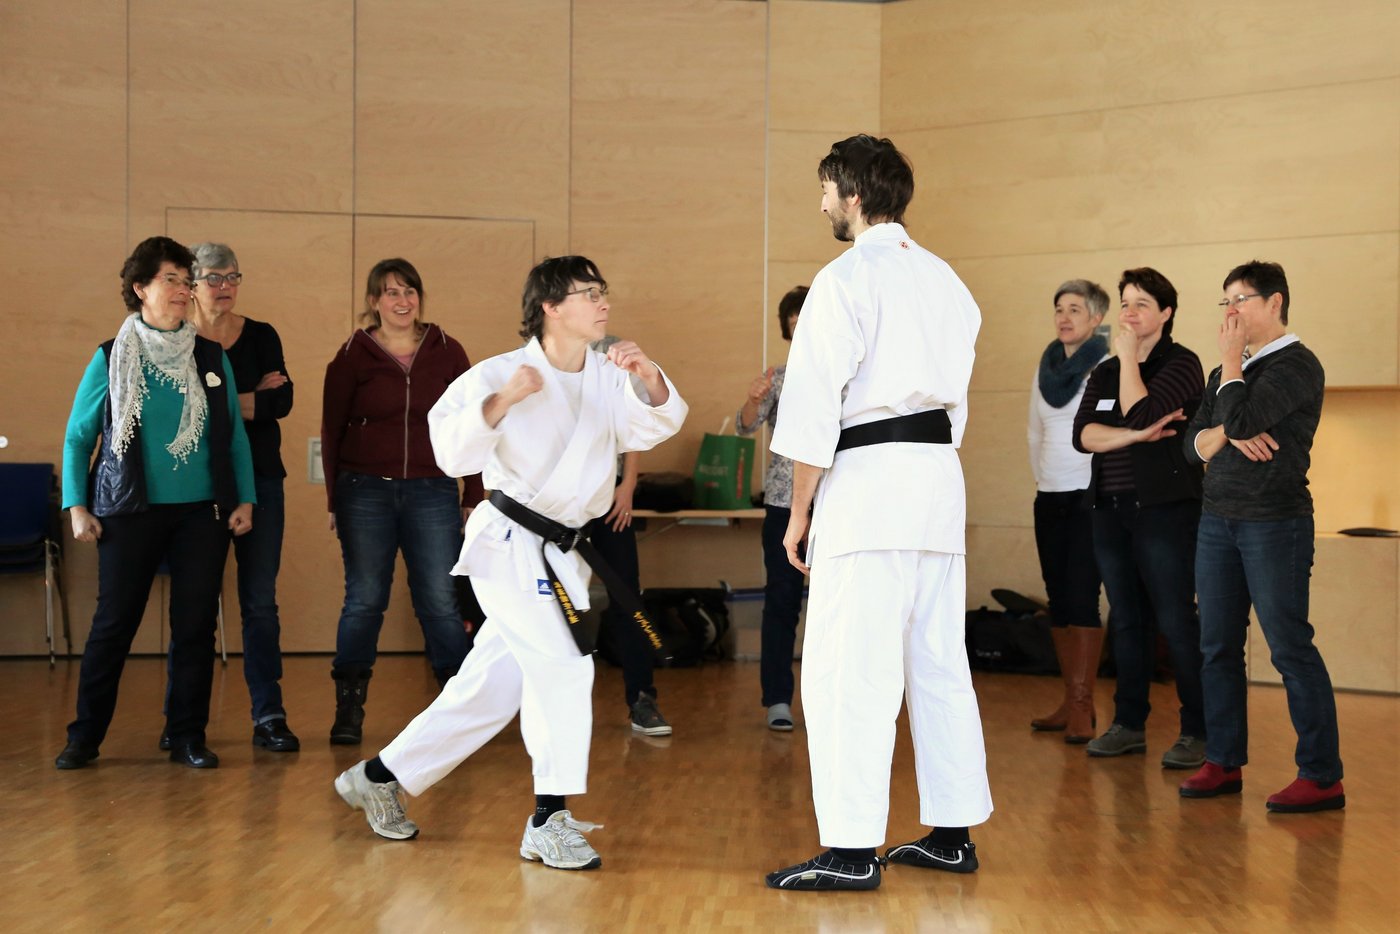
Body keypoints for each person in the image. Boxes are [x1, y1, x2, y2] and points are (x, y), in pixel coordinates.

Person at [333, 256, 686, 868]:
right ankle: (549, 817)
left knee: (492, 689)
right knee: (567, 668)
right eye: (589, 294)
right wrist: (502, 400)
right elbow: (448, 450)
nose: (603, 304)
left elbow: (651, 427)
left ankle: (381, 775)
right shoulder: (500, 372)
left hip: (565, 552)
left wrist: (650, 377)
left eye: (604, 292)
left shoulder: (607, 374)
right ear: (550, 306)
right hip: (510, 547)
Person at [764, 135, 992, 892]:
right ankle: (953, 834)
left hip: (866, 485)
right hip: (935, 479)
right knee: (937, 663)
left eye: (827, 188)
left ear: (853, 193)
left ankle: (853, 849)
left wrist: (799, 513)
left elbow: (811, 410)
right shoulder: (947, 280)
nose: (822, 202)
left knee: (846, 669)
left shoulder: (844, 278)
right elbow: (955, 401)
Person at [56, 236, 256, 770]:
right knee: (114, 623)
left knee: (194, 626)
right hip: (129, 510)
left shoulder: (211, 356)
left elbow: (234, 437)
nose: (183, 290)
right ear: (140, 288)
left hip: (203, 513)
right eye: (171, 279)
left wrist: (246, 500)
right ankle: (84, 736)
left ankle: (186, 735)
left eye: (187, 281)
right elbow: (79, 438)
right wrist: (77, 505)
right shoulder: (111, 356)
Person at [1178, 261, 1344, 812]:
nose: (1230, 312)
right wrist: (1227, 429)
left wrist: (1229, 401)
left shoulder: (1297, 366)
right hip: (1215, 521)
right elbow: (1191, 447)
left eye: (1241, 300)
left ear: (1275, 303)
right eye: (1224, 301)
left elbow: (1240, 423)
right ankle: (1223, 761)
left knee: (1290, 647)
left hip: (1276, 523)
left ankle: (1321, 776)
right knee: (1217, 645)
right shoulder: (1227, 375)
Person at [321, 258, 483, 744]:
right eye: (390, 292)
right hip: (363, 491)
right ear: (374, 302)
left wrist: (473, 493)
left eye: (409, 290)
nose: (402, 300)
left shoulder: (448, 352)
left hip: (432, 490)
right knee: (364, 600)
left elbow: (472, 423)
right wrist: (334, 499)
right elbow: (332, 430)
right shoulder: (353, 355)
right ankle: (349, 709)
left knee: (438, 599)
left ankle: (461, 710)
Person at [1071, 267, 1207, 769]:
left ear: (1166, 313)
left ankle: (1197, 730)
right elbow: (1083, 435)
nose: (1129, 313)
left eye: (1141, 304)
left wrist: (1129, 362)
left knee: (1175, 618)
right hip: (1109, 508)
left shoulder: (1182, 363)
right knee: (1126, 620)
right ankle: (1129, 724)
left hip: (1165, 511)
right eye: (1125, 303)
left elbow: (1140, 414)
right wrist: (1131, 438)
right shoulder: (1103, 372)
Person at [182, 242, 299, 752]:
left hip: (263, 479)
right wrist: (248, 398)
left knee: (260, 602)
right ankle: (182, 722)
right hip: (197, 485)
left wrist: (214, 402)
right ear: (191, 282)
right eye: (213, 277)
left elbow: (283, 401)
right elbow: (177, 412)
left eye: (233, 276)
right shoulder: (178, 338)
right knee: (194, 605)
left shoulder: (262, 335)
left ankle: (268, 715)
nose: (225, 286)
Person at [1027, 280, 1109, 743]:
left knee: (1081, 596)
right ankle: (1068, 698)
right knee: (1057, 598)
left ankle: (1083, 705)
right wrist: (1043, 479)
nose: (1064, 316)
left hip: (1088, 495)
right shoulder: (1044, 368)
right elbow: (1034, 433)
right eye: (1059, 308)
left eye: (1075, 309)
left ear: (1095, 319)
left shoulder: (1107, 366)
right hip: (1050, 494)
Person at [736, 285, 808, 731]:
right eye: (794, 327)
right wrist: (754, 395)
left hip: (837, 506)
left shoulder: (849, 377)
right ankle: (778, 698)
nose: (802, 334)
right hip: (784, 504)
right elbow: (745, 428)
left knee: (836, 606)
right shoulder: (779, 377)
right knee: (782, 601)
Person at [588, 446, 672, 736]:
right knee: (553, 604)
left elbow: (631, 429)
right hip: (558, 500)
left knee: (628, 601)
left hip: (609, 495)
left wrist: (628, 485)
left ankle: (642, 700)